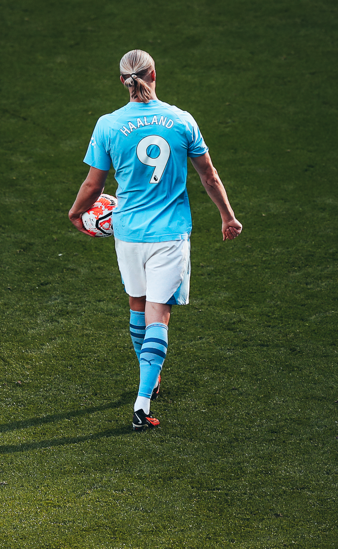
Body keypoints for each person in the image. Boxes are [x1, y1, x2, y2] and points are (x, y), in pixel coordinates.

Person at [68, 49, 242, 431]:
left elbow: (93, 184)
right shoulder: (181, 121)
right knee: (159, 314)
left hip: (128, 232)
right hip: (169, 234)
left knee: (137, 304)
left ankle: (152, 379)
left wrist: (75, 212)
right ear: (154, 74)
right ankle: (142, 404)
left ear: (122, 82)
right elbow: (209, 176)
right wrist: (228, 216)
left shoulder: (108, 125)